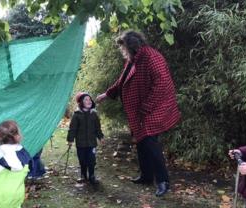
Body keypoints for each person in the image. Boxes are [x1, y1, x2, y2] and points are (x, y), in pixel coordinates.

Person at [96, 30, 180, 197]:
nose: (123, 51)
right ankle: (147, 176)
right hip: (141, 111)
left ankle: (163, 181)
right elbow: (122, 80)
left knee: (150, 143)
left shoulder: (151, 57)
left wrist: (146, 108)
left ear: (131, 46)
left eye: (124, 48)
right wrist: (107, 94)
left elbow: (162, 85)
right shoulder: (134, 59)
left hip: (155, 108)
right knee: (141, 141)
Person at [67, 92, 104, 185]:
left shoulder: (94, 114)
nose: (89, 101)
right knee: (82, 160)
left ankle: (92, 176)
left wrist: (100, 137)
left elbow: (97, 128)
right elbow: (72, 129)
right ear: (81, 102)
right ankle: (83, 175)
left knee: (91, 160)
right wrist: (70, 140)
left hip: (92, 143)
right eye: (86, 100)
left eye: (89, 99)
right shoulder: (77, 115)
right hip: (81, 144)